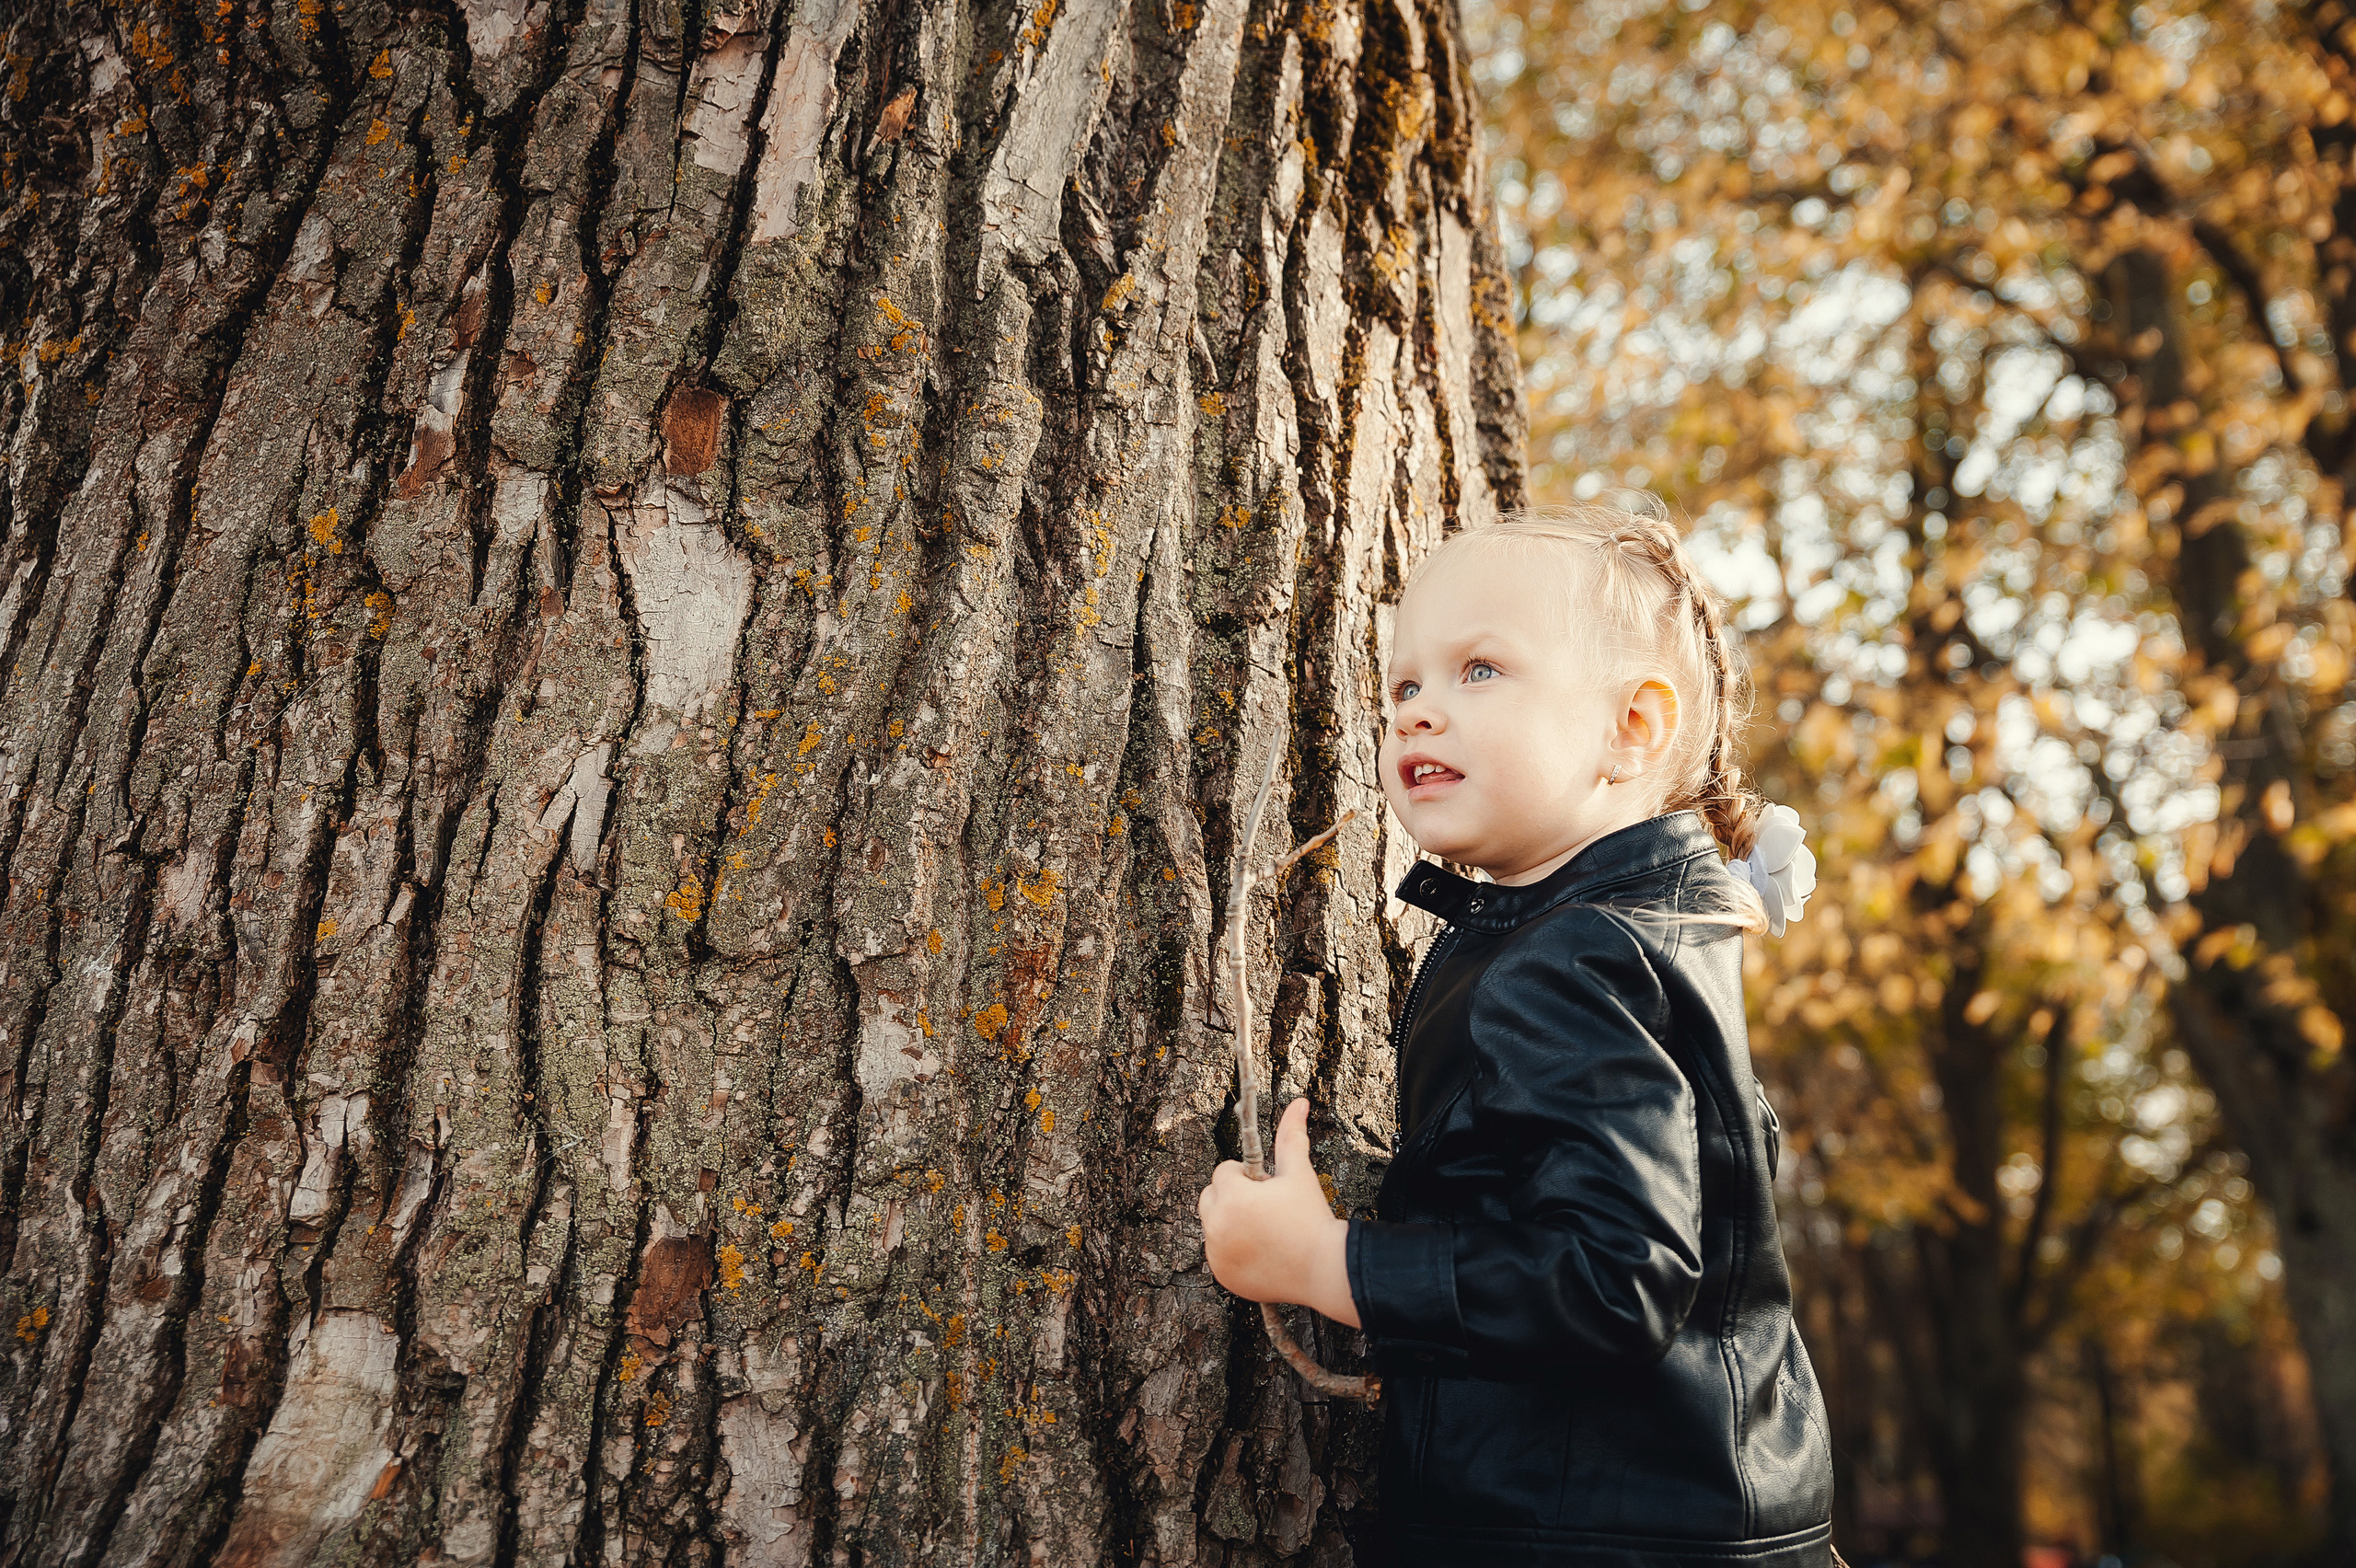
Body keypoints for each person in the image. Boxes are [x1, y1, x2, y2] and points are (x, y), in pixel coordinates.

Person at [1195, 498, 1838, 1567]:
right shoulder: (1647, 932)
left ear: (1632, 728)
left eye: (1479, 671)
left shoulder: (1568, 961)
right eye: (1403, 684)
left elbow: (1612, 1277)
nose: (1416, 712)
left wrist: (1328, 1262)